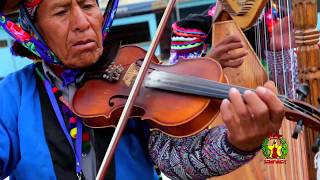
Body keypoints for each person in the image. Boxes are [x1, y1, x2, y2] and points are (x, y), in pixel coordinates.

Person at [0, 0, 285, 179]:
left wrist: (237, 143)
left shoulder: (136, 72)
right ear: (31, 29)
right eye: (62, 11)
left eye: (88, 6)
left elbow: (177, 159)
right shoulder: (12, 95)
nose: (83, 23)